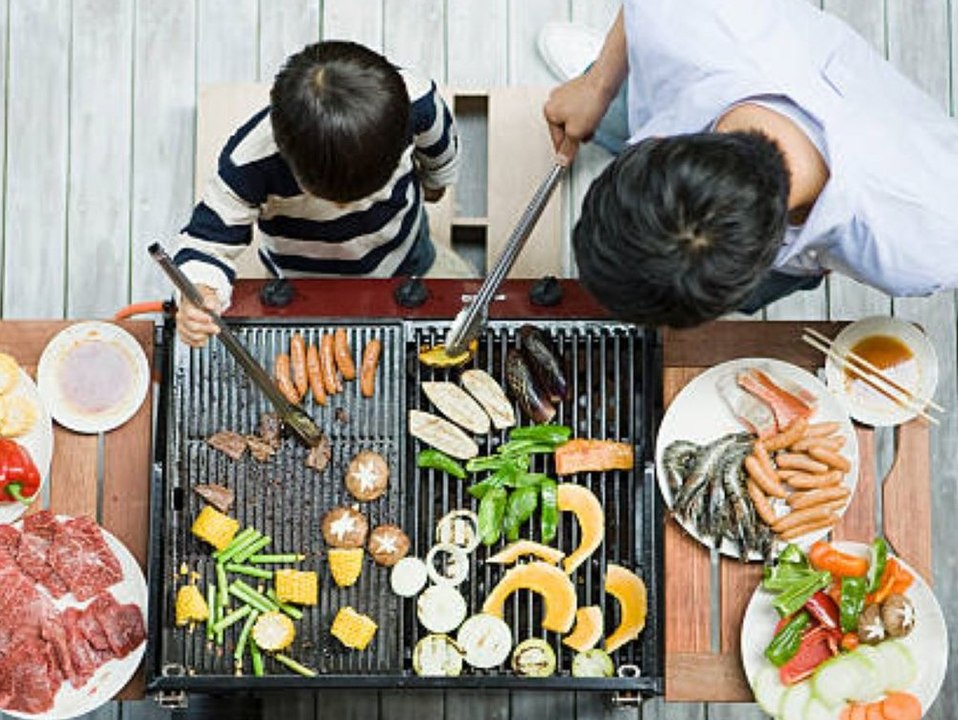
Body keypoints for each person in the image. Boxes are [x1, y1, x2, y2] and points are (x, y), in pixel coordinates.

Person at [541, 1, 958, 327]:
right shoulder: (688, 18)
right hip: (706, 59)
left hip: (885, 154)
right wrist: (597, 85)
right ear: (659, 141)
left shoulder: (924, 244)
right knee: (615, 110)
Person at [174, 40, 462, 346]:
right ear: (285, 152)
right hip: (299, 280)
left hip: (403, 256)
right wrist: (200, 292)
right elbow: (206, 246)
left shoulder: (416, 102)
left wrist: (435, 184)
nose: (343, 206)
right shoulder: (249, 163)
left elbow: (441, 153)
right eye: (331, 199)